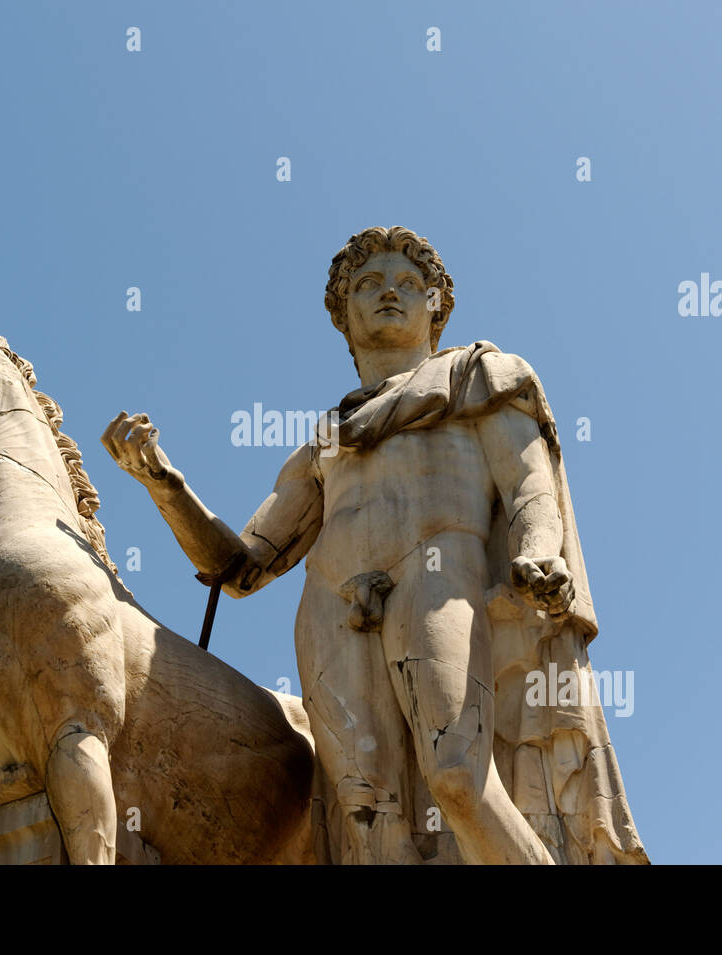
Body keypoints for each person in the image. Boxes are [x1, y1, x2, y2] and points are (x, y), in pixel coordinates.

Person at [102, 227, 647, 864]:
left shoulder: (480, 376)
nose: (389, 293)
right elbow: (240, 566)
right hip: (332, 611)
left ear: (435, 303)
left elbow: (530, 485)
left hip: (440, 576)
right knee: (368, 817)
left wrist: (539, 553)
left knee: (457, 775)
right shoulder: (326, 444)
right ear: (343, 311)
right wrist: (165, 485)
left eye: (407, 284)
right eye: (368, 284)